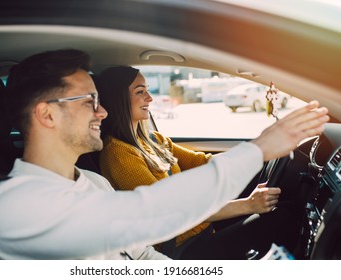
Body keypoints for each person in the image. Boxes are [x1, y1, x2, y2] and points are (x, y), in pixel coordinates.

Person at [0, 49, 329, 260]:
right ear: (46, 114)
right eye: (90, 102)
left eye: (100, 102)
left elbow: (141, 253)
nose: (102, 113)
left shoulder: (93, 183)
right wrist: (261, 148)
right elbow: (148, 213)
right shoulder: (16, 208)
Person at [96, 66, 304, 259]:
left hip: (202, 228)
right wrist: (248, 204)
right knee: (283, 220)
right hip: (180, 248)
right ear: (118, 98)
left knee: (286, 207)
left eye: (148, 90)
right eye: (140, 92)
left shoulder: (153, 140)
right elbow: (173, 211)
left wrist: (259, 153)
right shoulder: (118, 154)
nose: (150, 98)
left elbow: (203, 162)